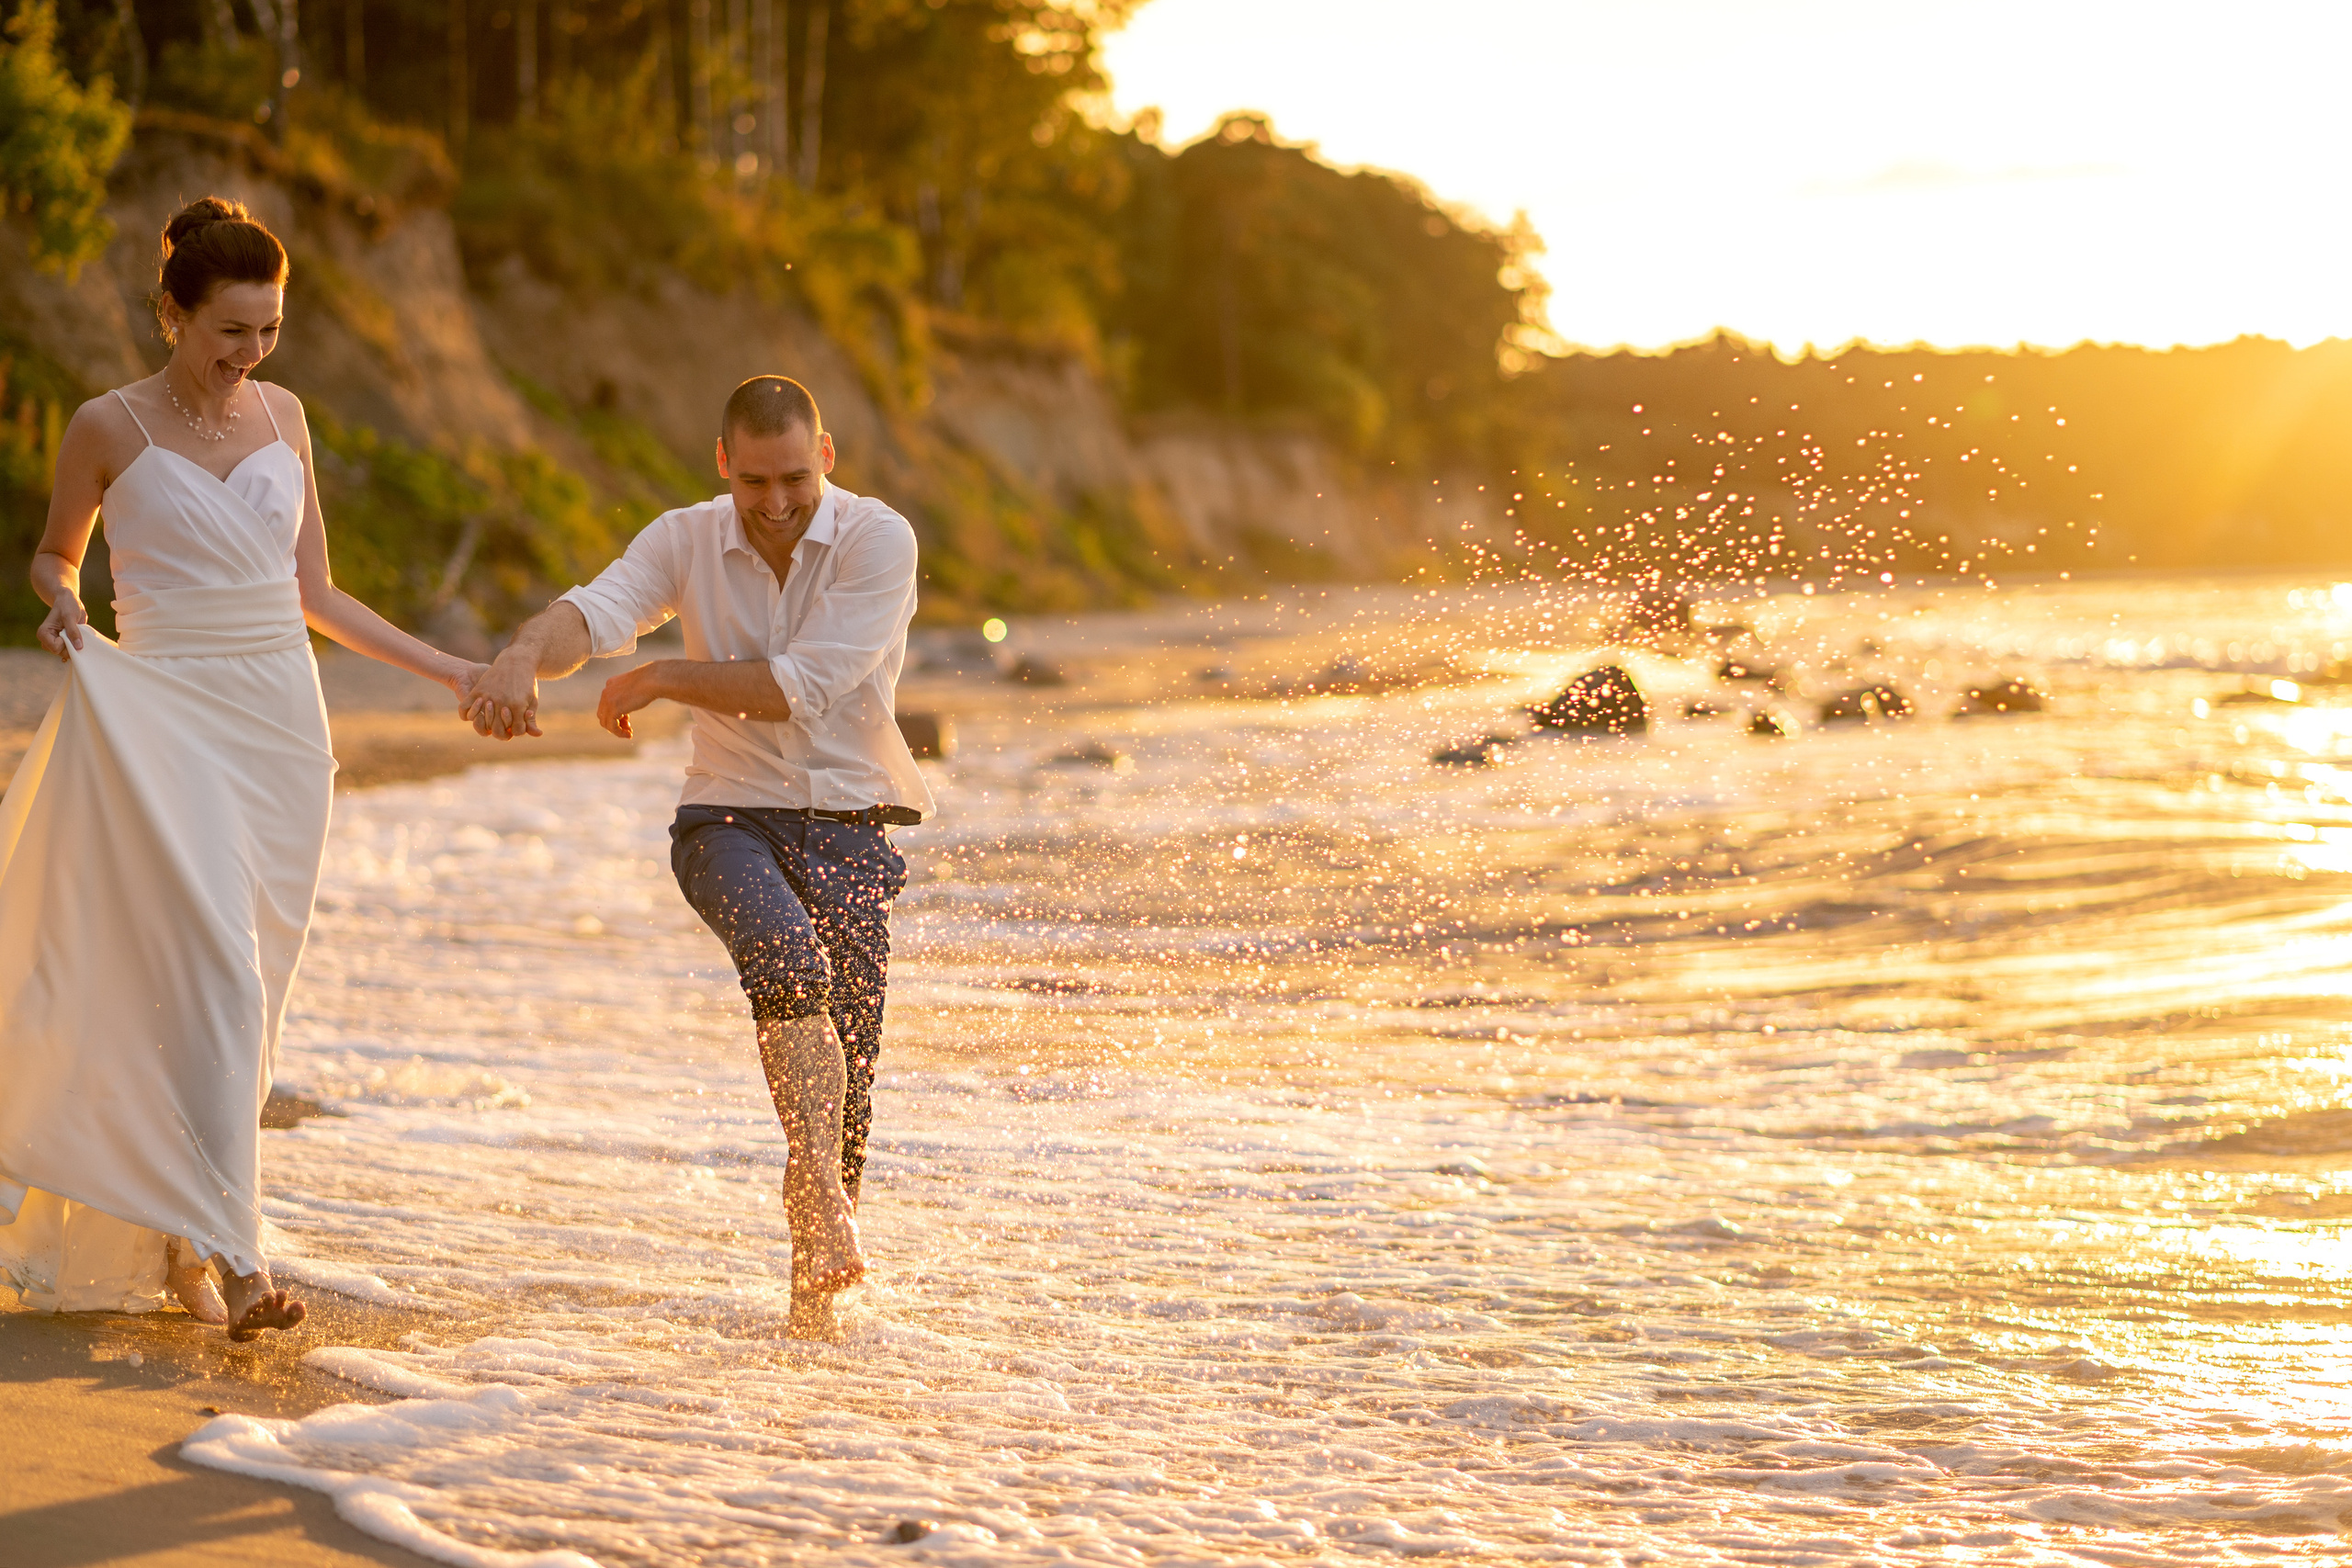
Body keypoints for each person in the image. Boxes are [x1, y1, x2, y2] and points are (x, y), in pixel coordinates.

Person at [0, 198, 489, 1339]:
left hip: (279, 724)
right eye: (230, 331)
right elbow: (50, 553)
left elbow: (315, 596)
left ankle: (183, 1253)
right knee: (216, 974)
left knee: (245, 989)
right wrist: (66, 606)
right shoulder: (106, 426)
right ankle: (242, 1256)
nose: (250, 355)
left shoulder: (287, 417)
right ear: (171, 313)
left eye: (268, 330)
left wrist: (448, 667)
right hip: (163, 710)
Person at [466, 375, 932, 1338]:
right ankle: (824, 1229)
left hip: (852, 822)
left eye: (794, 478)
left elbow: (803, 686)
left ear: (827, 457)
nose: (773, 504)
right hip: (727, 820)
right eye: (753, 481)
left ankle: (812, 1331)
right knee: (785, 960)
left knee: (847, 1088)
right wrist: (519, 653)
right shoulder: (685, 537)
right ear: (724, 464)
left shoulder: (878, 540)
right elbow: (593, 616)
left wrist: (667, 673)